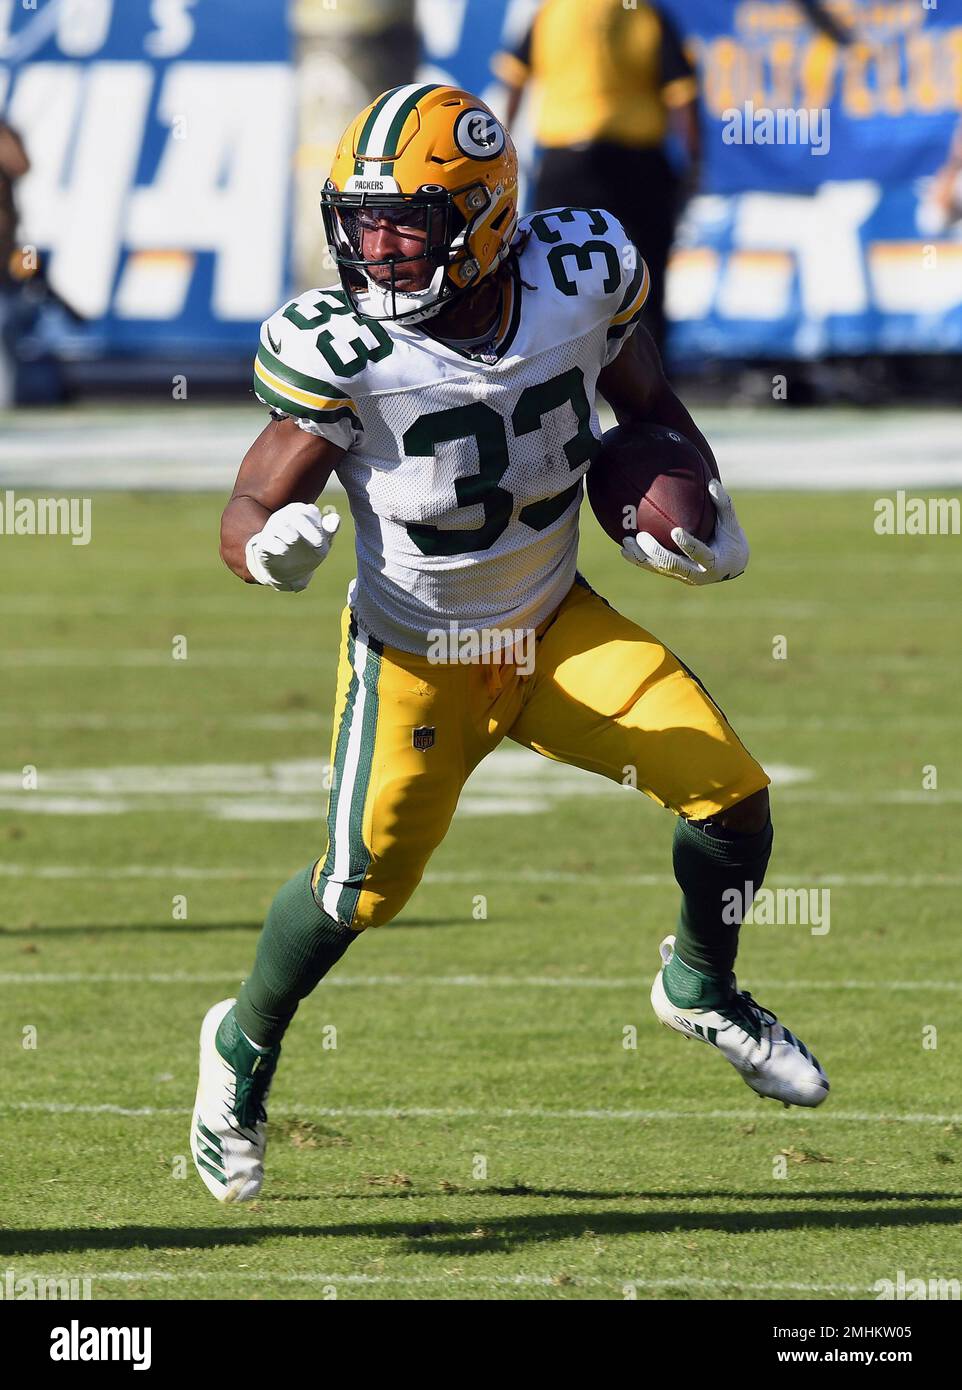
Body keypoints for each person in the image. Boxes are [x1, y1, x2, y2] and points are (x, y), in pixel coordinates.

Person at [189, 84, 827, 1204]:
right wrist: (265, 546)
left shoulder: (576, 280)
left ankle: (699, 982)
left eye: (406, 223)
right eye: (360, 221)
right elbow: (250, 497)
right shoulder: (341, 343)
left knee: (731, 799)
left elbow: (649, 409)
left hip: (550, 623)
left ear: (484, 218)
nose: (375, 249)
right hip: (414, 651)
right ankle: (239, 1046)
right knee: (355, 894)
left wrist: (696, 506)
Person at [493, 0, 700, 354]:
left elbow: (514, 79)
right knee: (643, 269)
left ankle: (545, 366)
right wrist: (694, 160)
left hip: (565, 162)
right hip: (635, 161)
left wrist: (500, 149)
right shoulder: (644, 13)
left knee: (542, 269)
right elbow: (681, 94)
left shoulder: (552, 13)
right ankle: (648, 380)